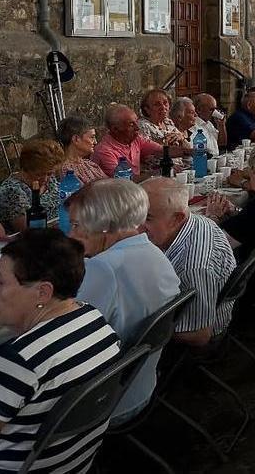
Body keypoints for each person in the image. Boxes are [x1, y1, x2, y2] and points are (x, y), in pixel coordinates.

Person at [0, 229, 122, 472]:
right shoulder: (91, 317)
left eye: (2, 281)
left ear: (43, 292)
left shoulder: (17, 362)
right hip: (73, 463)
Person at [68, 178, 181, 424]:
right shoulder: (152, 251)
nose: (72, 234)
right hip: (140, 384)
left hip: (105, 402)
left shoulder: (104, 269)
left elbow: (66, 338)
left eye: (78, 224)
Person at [140, 177, 236, 347]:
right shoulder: (198, 220)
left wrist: (142, 333)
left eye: (147, 218)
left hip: (203, 338)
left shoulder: (193, 267)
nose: (138, 227)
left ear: (177, 218)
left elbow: (199, 336)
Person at [0, 138, 62, 234]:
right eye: (38, 174)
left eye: (49, 174)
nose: (45, 179)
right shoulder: (13, 191)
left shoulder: (49, 179)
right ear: (26, 170)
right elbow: (28, 231)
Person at [92, 103, 174, 179]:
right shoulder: (104, 151)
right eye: (131, 124)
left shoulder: (135, 139)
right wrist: (159, 172)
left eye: (136, 122)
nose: (137, 128)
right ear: (115, 129)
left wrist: (185, 151)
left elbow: (163, 150)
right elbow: (125, 181)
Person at [138, 88, 188, 173]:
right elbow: (145, 155)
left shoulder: (168, 122)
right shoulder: (143, 126)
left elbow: (187, 148)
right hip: (160, 171)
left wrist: (182, 138)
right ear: (147, 109)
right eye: (157, 104)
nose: (163, 107)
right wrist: (164, 141)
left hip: (181, 167)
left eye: (165, 103)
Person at [54, 115, 107, 184]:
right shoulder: (65, 171)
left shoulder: (91, 165)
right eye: (92, 137)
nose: (95, 142)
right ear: (76, 139)